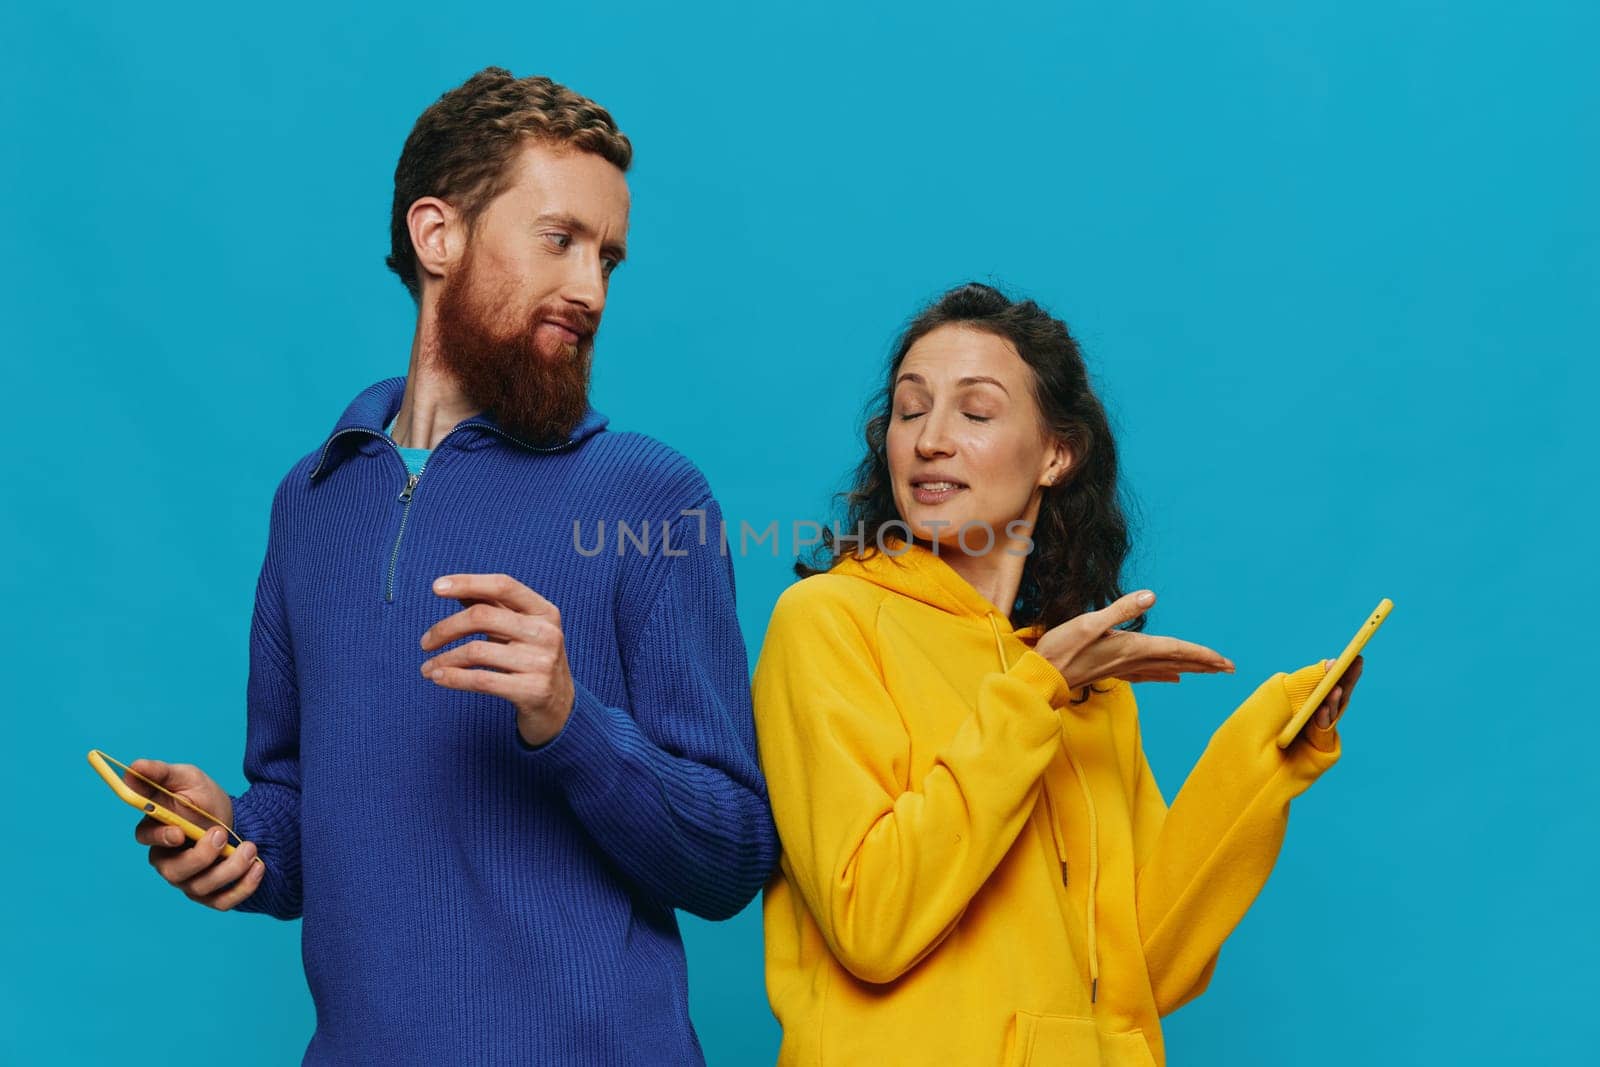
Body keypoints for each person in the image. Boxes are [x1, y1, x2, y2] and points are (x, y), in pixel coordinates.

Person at [126, 67, 778, 1064]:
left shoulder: (652, 498)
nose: (590, 289)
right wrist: (237, 834)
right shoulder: (313, 502)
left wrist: (571, 721)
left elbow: (732, 852)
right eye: (559, 239)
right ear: (438, 235)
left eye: (608, 257)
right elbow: (305, 811)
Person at [752, 282, 1363, 1066]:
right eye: (910, 410)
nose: (931, 439)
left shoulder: (1084, 684)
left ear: (1056, 454)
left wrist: (1270, 754)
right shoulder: (827, 621)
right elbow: (870, 920)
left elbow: (1150, 966)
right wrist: (1034, 692)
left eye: (974, 413)